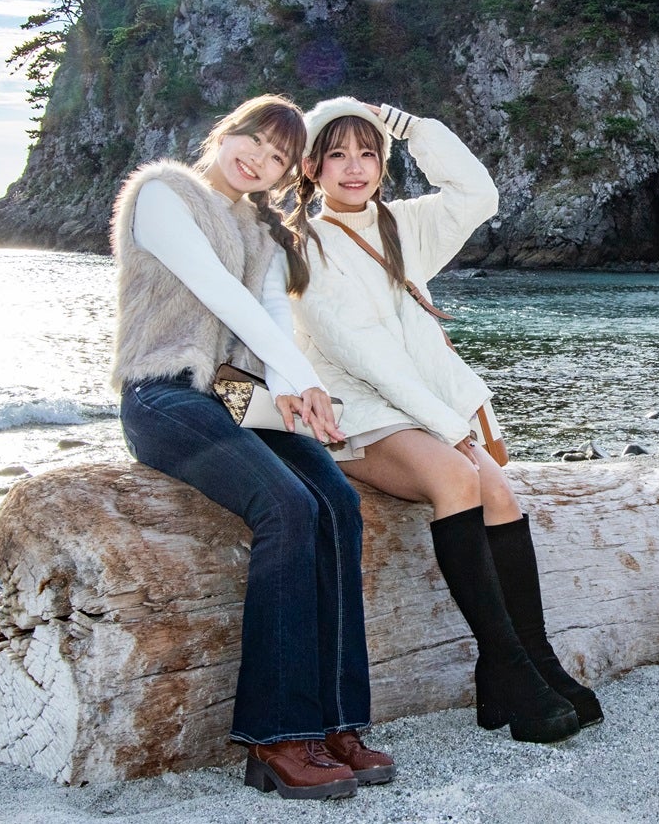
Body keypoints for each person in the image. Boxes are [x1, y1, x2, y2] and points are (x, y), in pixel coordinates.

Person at [289, 96, 602, 745]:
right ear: (312, 166)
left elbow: (477, 192)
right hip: (358, 416)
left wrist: (410, 127)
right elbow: (364, 356)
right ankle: (510, 668)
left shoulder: (401, 227)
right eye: (339, 154)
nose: (355, 168)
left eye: (369, 152)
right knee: (459, 479)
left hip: (419, 411)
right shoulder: (305, 247)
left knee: (501, 490)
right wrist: (451, 427)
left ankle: (530, 660)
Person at [110, 94, 393, 800]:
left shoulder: (266, 238)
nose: (257, 162)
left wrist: (296, 389)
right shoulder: (161, 192)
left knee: (336, 501)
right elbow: (214, 291)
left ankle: (336, 723)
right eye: (252, 142)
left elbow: (267, 317)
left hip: (237, 394)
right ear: (226, 132)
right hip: (165, 390)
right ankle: (275, 738)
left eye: (274, 158)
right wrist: (301, 380)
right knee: (287, 507)